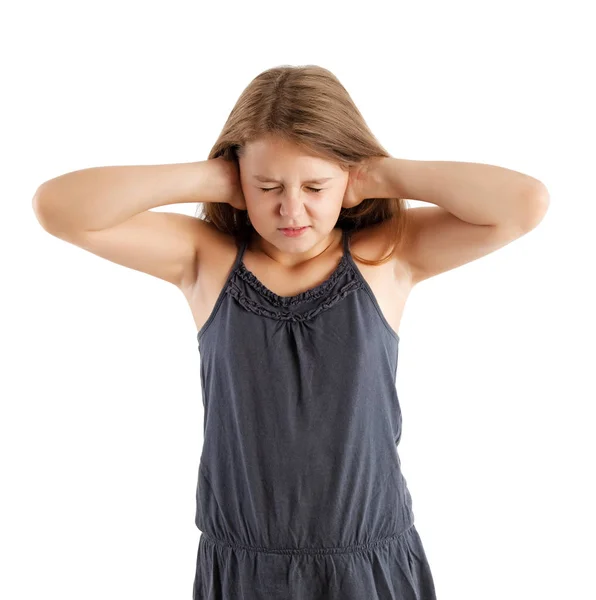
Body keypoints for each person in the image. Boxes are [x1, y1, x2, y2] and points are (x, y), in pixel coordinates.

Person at [32, 64, 548, 600]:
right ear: (240, 182)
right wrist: (212, 177)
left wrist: (379, 175)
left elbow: (523, 203)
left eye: (316, 186)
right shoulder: (204, 260)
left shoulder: (387, 255)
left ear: (347, 181)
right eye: (268, 186)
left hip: (368, 565)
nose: (291, 208)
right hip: (243, 568)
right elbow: (59, 208)